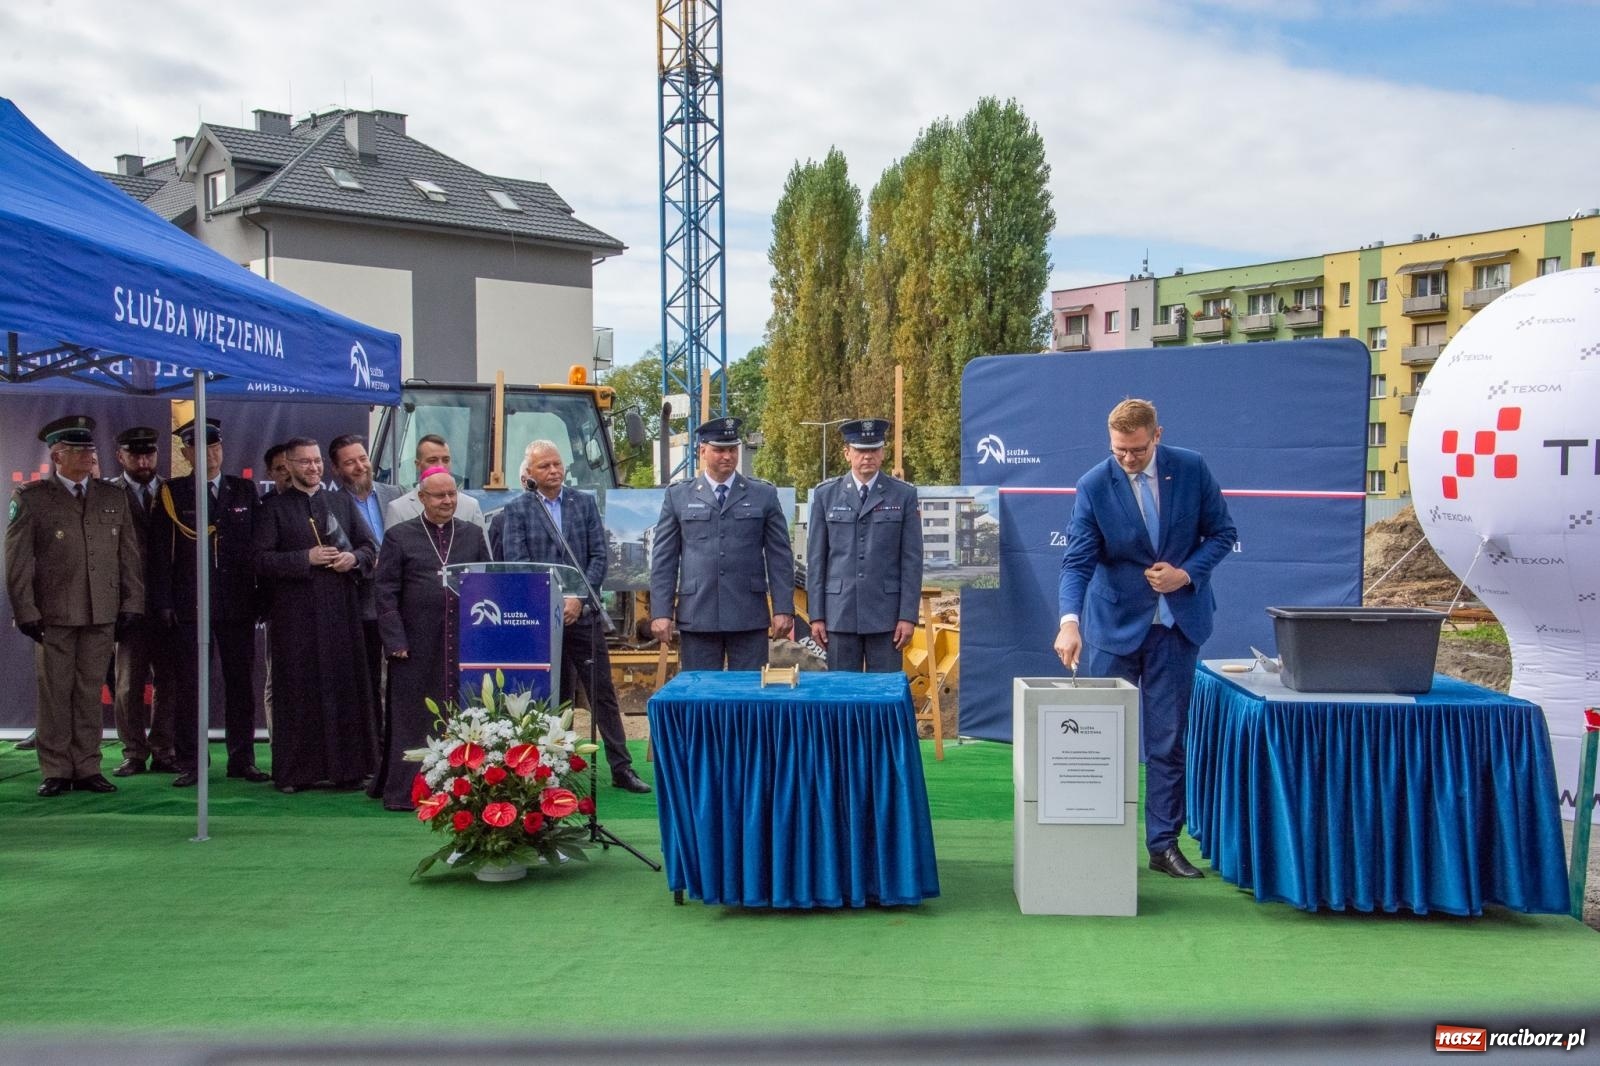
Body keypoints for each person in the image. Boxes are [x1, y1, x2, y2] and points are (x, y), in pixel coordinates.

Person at [1054, 398, 1237, 880]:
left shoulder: (1192, 469)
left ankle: (1163, 845)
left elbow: (1223, 533)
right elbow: (1077, 562)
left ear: (1157, 435)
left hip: (1177, 628)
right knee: (1098, 741)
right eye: (1118, 450)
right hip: (1113, 630)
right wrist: (1069, 621)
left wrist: (1185, 574)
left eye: (1136, 449)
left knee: (1167, 741)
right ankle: (1097, 842)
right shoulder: (1094, 485)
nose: (1127, 459)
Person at [4, 415, 144, 797]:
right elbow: (17, 562)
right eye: (79, 450)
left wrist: (132, 603)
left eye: (90, 449)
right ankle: (56, 769)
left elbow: (128, 555)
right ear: (57, 456)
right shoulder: (32, 498)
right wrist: (25, 611)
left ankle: (87, 767)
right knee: (55, 693)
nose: (89, 456)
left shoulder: (112, 496)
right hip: (54, 615)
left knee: (88, 692)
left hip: (102, 612)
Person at [500, 440, 651, 793]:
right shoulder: (517, 509)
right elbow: (518, 563)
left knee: (602, 693)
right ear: (529, 473)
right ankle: (547, 767)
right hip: (541, 622)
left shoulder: (582, 504)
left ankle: (622, 768)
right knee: (547, 695)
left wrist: (578, 599)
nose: (553, 471)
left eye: (557, 464)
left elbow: (599, 557)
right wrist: (554, 602)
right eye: (545, 466)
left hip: (583, 617)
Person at [148, 418, 268, 788]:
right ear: (186, 454)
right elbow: (159, 554)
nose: (210, 455)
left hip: (237, 603)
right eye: (200, 448)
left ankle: (242, 759)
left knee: (240, 684)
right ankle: (191, 762)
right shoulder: (172, 493)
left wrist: (259, 596)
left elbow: (257, 549)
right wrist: (163, 602)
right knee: (191, 686)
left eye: (215, 447)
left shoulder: (243, 490)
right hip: (190, 605)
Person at [253, 436, 378, 793]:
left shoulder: (340, 501)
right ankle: (296, 773)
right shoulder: (273, 508)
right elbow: (260, 560)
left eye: (317, 461)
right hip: (295, 618)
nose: (313, 467)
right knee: (298, 692)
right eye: (305, 462)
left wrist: (353, 559)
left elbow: (369, 547)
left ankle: (348, 771)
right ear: (290, 466)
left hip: (341, 613)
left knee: (344, 689)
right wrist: (304, 559)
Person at [370, 467, 492, 810]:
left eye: (452, 494)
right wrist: (395, 640)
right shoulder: (399, 536)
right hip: (415, 642)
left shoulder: (471, 534)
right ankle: (408, 791)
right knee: (413, 715)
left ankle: (463, 788)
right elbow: (385, 592)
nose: (447, 501)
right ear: (421, 498)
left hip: (462, 639)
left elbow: (487, 583)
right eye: (439, 496)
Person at [650, 417, 794, 671]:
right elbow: (664, 559)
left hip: (748, 615)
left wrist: (783, 608)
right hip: (698, 615)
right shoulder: (678, 495)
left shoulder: (763, 495)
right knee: (701, 691)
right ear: (702, 451)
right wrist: (661, 612)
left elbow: (779, 557)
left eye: (732, 449)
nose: (727, 456)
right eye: (719, 450)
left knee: (748, 691)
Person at [805, 418, 923, 672]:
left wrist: (907, 616)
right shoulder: (826, 495)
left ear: (883, 453)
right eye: (860, 450)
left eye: (874, 449)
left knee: (884, 690)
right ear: (847, 453)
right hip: (839, 613)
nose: (867, 456)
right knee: (842, 691)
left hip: (887, 617)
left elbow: (912, 561)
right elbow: (816, 561)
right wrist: (816, 615)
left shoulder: (903, 495)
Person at [105, 425, 178, 775]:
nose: (144, 461)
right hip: (125, 605)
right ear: (120, 457)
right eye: (135, 455)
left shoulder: (172, 491)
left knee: (170, 681)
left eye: (149, 454)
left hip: (168, 603)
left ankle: (164, 749)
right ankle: (133, 751)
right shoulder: (107, 493)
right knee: (127, 684)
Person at [330, 432, 406, 739]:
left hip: (402, 603)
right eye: (350, 462)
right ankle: (374, 746)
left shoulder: (397, 494)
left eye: (363, 458)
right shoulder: (331, 504)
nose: (360, 466)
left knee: (403, 681)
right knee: (370, 682)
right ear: (336, 469)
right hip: (362, 606)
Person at [384, 434, 486, 531]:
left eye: (446, 460)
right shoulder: (398, 509)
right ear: (418, 465)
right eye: (432, 461)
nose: (440, 466)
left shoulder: (471, 507)